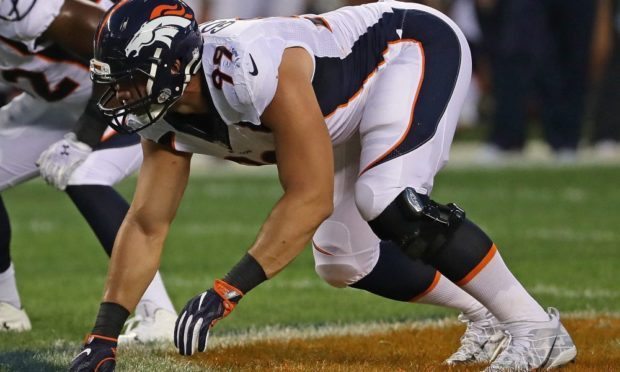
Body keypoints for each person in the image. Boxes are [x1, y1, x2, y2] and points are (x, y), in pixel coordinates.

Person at [70, 0, 577, 370]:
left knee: (387, 199)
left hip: (405, 51)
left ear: (174, 65)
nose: (120, 94)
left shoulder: (248, 74)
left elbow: (309, 197)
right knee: (342, 259)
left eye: (131, 78)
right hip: (340, 114)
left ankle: (534, 326)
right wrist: (102, 337)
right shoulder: (162, 117)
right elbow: (145, 225)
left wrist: (227, 291)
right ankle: (484, 312)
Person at [0, 0, 176, 342]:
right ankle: (5, 305)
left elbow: (115, 46)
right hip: (54, 106)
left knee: (85, 175)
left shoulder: (21, 6)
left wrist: (84, 137)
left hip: (126, 93)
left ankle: (159, 313)